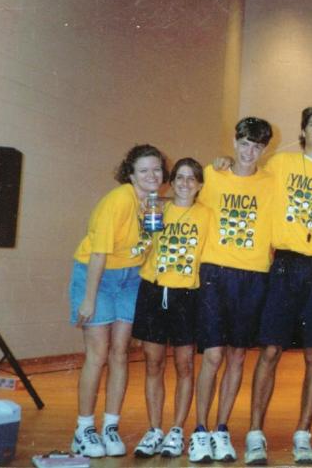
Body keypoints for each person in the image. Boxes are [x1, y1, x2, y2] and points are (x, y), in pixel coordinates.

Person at [245, 103, 312, 465]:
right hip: (285, 264)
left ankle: (303, 434)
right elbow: (247, 173)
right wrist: (224, 163)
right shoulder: (281, 164)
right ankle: (254, 433)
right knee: (270, 350)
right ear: (303, 131)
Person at [68, 144, 166, 458]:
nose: (152, 175)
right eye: (144, 170)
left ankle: (110, 426)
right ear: (131, 174)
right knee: (98, 354)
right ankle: (84, 429)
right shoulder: (119, 200)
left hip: (130, 279)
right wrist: (88, 299)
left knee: (120, 353)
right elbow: (99, 253)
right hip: (98, 275)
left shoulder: (152, 203)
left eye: (157, 169)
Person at [188, 117, 274, 463]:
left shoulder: (272, 182)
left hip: (253, 275)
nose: (249, 152)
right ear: (234, 142)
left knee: (237, 356)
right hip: (214, 272)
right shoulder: (212, 175)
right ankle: (199, 429)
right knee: (212, 355)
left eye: (257, 146)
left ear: (264, 150)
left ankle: (221, 429)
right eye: (244, 144)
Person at [131, 158, 211, 459]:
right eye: (180, 177)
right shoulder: (157, 209)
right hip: (153, 290)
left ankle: (176, 430)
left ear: (200, 185)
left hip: (187, 296)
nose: (185, 183)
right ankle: (154, 429)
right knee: (153, 363)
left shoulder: (207, 215)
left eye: (192, 178)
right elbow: (143, 246)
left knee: (185, 365)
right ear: (172, 181)